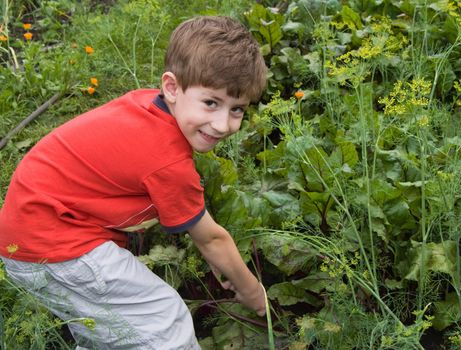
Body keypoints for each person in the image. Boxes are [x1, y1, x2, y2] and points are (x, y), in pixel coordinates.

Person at [0, 15, 267, 349]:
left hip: (32, 236)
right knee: (164, 320)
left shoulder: (147, 106)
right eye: (211, 102)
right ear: (172, 88)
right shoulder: (167, 161)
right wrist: (253, 292)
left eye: (237, 109)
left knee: (114, 333)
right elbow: (212, 240)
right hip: (57, 245)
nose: (223, 123)